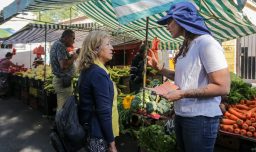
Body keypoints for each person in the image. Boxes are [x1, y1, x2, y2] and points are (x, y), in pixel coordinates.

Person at [148, 2, 230, 152]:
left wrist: (183, 93)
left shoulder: (207, 43)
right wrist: (159, 68)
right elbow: (181, 77)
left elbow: (223, 86)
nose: (167, 26)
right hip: (182, 115)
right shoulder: (188, 44)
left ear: (182, 19)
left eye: (169, 21)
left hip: (200, 119)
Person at [76, 30, 118, 152]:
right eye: (108, 44)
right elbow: (103, 111)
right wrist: (112, 144)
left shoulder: (89, 69)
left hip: (89, 130)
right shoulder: (98, 73)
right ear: (95, 49)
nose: (112, 48)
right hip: (97, 134)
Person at [50, 29, 78, 111]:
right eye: (73, 38)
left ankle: (61, 122)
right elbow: (64, 65)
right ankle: (61, 123)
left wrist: (70, 56)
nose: (73, 41)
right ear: (66, 37)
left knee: (63, 105)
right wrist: (73, 57)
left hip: (62, 80)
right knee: (64, 107)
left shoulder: (57, 44)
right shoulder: (60, 46)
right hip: (63, 81)